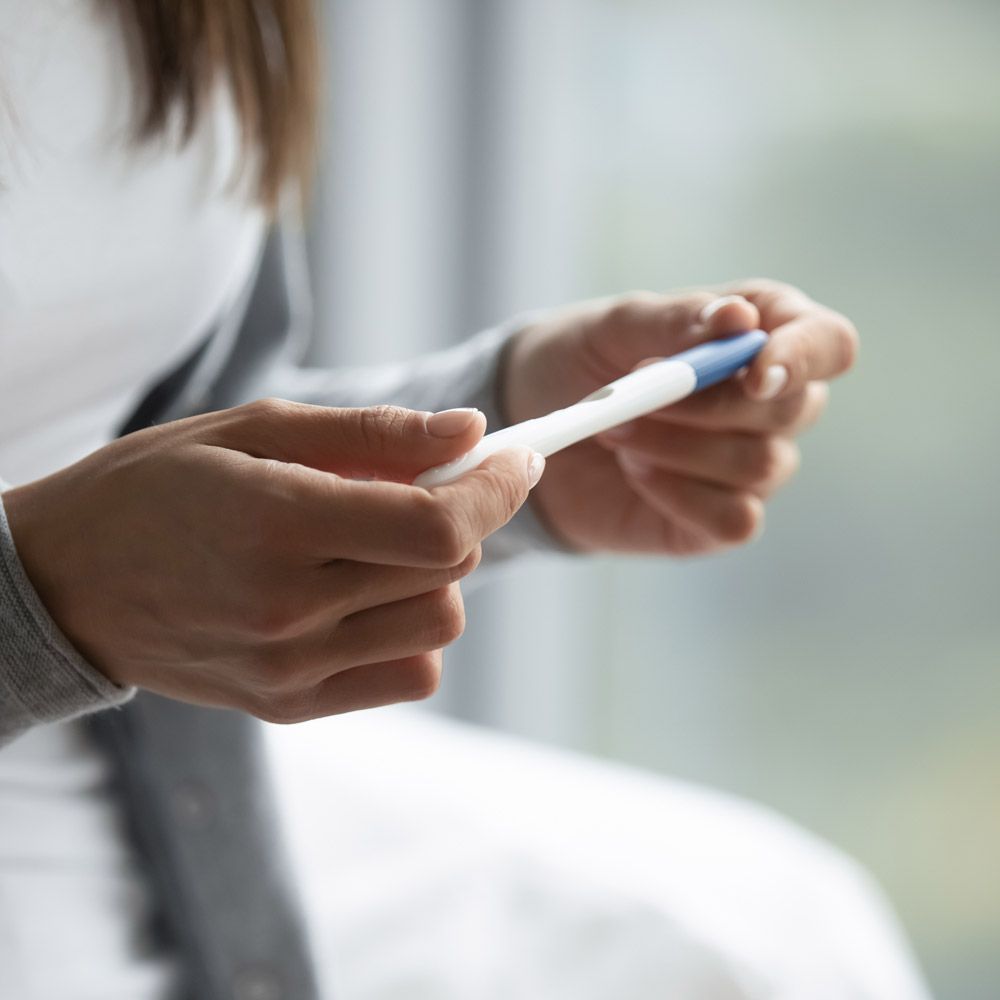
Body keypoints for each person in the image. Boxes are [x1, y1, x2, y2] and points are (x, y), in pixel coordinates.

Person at [0, 2, 927, 998]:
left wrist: (515, 419)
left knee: (776, 938)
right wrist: (43, 601)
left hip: (158, 799)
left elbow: (148, 418)